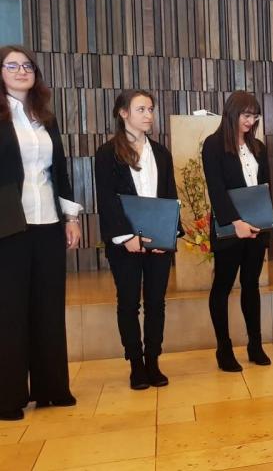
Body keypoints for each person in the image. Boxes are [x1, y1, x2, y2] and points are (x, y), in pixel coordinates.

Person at [0, 44, 81, 421]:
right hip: (8, 225)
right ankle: (8, 397)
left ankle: (52, 388)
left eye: (27, 66)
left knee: (49, 306)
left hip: (48, 222)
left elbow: (59, 171)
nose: (21, 71)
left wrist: (71, 217)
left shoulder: (44, 117)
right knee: (10, 310)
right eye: (11, 66)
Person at [95, 90, 182, 390]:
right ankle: (136, 363)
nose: (148, 115)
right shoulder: (107, 153)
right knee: (129, 303)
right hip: (125, 243)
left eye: (151, 109)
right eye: (141, 109)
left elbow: (169, 196)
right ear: (123, 113)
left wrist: (167, 236)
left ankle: (153, 361)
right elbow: (107, 200)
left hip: (158, 242)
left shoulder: (161, 153)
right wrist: (126, 237)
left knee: (156, 303)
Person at [202, 90, 272, 372]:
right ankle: (224, 348)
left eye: (254, 116)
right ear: (232, 113)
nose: (250, 121)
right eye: (246, 115)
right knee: (223, 285)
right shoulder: (214, 145)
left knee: (251, 285)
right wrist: (235, 222)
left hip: (257, 227)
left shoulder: (259, 147)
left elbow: (264, 187)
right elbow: (216, 189)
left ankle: (255, 344)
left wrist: (263, 222)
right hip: (229, 227)